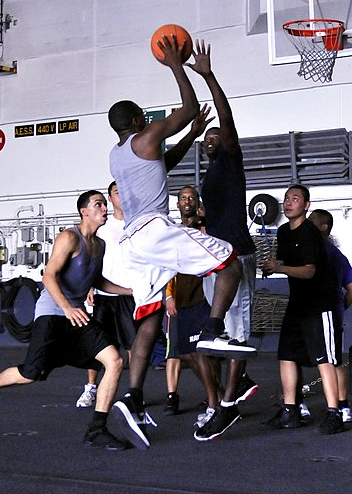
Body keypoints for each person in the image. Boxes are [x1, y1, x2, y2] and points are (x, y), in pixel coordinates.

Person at [107, 34, 256, 450]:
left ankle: (134, 397)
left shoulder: (119, 154)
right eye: (144, 115)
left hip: (132, 242)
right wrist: (176, 65)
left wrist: (191, 136)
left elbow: (163, 163)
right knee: (228, 262)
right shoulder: (148, 134)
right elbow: (189, 107)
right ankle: (213, 330)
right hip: (154, 230)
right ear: (137, 121)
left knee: (150, 319)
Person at [0, 190, 133, 450]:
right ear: (84, 211)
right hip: (52, 314)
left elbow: (95, 280)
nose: (104, 208)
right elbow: (48, 276)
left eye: (104, 204)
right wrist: (67, 307)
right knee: (30, 373)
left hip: (77, 317)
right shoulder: (69, 237)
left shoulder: (100, 245)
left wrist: (129, 290)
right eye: (98, 204)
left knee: (114, 361)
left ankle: (97, 430)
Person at [187, 41, 259, 441]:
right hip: (215, 258)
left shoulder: (232, 158)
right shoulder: (211, 174)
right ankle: (222, 400)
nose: (211, 140)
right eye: (207, 138)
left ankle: (227, 406)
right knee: (213, 337)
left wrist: (208, 76)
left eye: (216, 136)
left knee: (236, 333)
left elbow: (227, 119)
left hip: (237, 255)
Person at [262, 184, 344, 435]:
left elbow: (309, 271)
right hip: (297, 304)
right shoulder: (283, 232)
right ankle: (291, 410)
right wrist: (272, 265)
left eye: (295, 199)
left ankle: (334, 413)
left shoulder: (310, 233)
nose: (288, 203)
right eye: (286, 198)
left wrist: (279, 268)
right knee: (286, 355)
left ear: (306, 206)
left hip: (320, 304)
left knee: (325, 359)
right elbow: (287, 262)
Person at [163, 186, 224, 419]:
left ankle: (213, 404)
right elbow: (168, 265)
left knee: (204, 352)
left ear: (197, 203)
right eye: (182, 198)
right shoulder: (174, 231)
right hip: (182, 298)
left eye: (191, 198)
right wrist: (168, 295)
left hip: (203, 298)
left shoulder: (205, 228)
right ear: (178, 204)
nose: (186, 201)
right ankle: (219, 397)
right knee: (187, 353)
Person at [75, 181, 137, 408]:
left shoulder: (135, 224)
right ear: (111, 199)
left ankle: (133, 393)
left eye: (124, 191)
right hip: (103, 295)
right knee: (98, 345)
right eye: (116, 192)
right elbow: (92, 258)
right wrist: (90, 286)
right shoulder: (102, 225)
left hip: (128, 295)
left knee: (133, 346)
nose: (121, 196)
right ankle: (90, 388)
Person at [308, 209, 352, 423]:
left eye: (312, 222)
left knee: (332, 361)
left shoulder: (324, 252)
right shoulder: (337, 254)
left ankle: (342, 408)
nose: (307, 225)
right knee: (330, 359)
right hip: (326, 313)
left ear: (324, 227)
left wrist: (335, 311)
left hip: (324, 312)